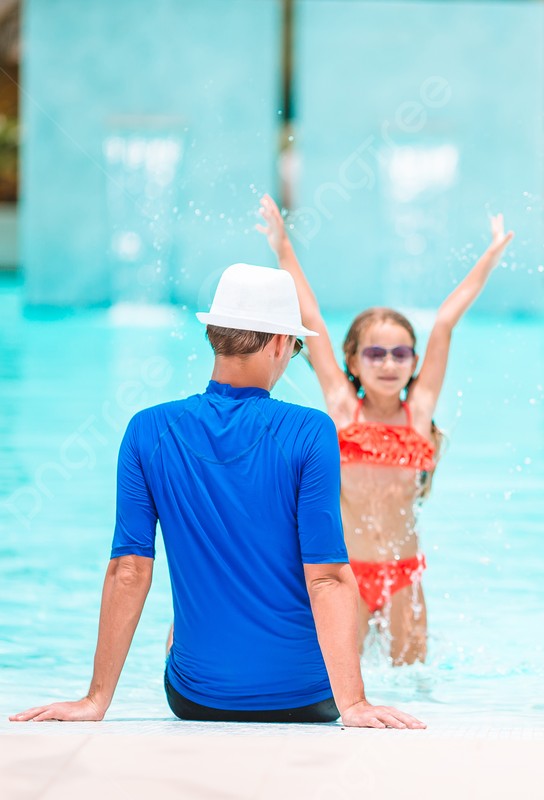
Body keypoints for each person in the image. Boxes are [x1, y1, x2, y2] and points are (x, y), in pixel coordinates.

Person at [10, 264, 424, 728]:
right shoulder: (311, 431)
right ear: (280, 343)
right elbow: (326, 577)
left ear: (213, 334)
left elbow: (128, 570)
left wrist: (94, 701)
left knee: (179, 625)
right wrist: (354, 705)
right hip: (310, 697)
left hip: (196, 700)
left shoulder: (147, 429)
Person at [257, 194, 513, 666]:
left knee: (413, 682)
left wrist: (490, 257)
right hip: (345, 574)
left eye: (401, 354)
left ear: (414, 361)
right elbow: (310, 318)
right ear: (353, 361)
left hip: (403, 575)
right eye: (376, 354)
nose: (390, 364)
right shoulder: (341, 407)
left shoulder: (417, 412)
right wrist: (282, 247)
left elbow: (445, 323)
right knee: (340, 682)